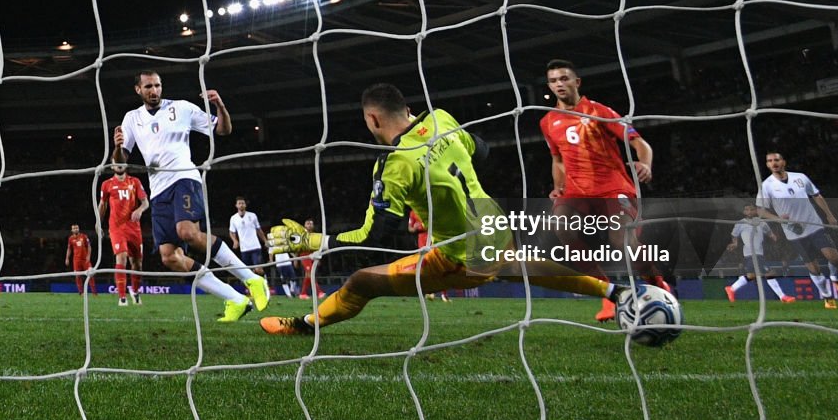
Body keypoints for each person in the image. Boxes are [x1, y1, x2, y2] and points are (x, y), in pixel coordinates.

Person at [261, 83, 625, 336]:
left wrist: (311, 240)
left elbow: (372, 236)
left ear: (372, 120)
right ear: (407, 108)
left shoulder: (395, 165)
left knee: (361, 282)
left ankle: (304, 326)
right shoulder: (441, 118)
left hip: (459, 257)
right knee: (522, 266)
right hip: (495, 226)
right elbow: (482, 151)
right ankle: (616, 293)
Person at [113, 70, 269, 322]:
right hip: (159, 190)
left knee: (187, 232)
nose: (154, 90)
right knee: (170, 257)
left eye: (158, 85)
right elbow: (120, 164)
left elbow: (223, 129)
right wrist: (118, 147)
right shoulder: (132, 119)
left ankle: (252, 279)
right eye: (149, 86)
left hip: (184, 177)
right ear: (138, 90)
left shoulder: (182, 108)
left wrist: (220, 105)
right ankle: (236, 299)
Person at [539, 59, 665, 323]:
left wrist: (645, 163)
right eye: (553, 81)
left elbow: (639, 142)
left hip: (612, 187)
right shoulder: (548, 121)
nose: (559, 84)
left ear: (577, 82)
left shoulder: (599, 111)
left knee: (623, 243)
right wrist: (558, 187)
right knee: (562, 230)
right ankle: (610, 296)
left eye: (564, 78)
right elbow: (558, 159)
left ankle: (657, 283)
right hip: (576, 193)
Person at [756, 151, 838, 309]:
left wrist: (829, 215)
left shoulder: (800, 177)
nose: (774, 163)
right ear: (767, 165)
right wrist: (777, 218)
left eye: (776, 159)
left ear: (783, 161)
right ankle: (827, 297)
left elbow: (816, 195)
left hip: (814, 225)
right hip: (795, 233)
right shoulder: (766, 186)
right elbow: (760, 211)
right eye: (770, 161)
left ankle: (835, 277)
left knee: (835, 258)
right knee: (814, 268)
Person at [99, 164, 149, 307]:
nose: (119, 164)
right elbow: (103, 205)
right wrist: (98, 222)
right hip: (116, 227)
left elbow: (145, 203)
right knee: (121, 257)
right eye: (116, 161)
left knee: (137, 264)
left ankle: (135, 291)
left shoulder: (135, 182)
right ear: (112, 164)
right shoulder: (106, 184)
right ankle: (122, 297)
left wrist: (139, 210)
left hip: (134, 228)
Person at [724, 204, 795, 303]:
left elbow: (769, 232)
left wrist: (773, 236)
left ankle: (731, 289)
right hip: (751, 253)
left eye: (751, 209)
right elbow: (734, 235)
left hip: (759, 252)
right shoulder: (740, 223)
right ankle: (782, 296)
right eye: (747, 209)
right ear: (744, 212)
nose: (749, 212)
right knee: (769, 273)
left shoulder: (761, 223)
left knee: (751, 275)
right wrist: (735, 243)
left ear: (755, 211)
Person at [408, 210, 448, 302]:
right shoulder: (413, 212)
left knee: (439, 266)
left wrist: (425, 226)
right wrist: (415, 228)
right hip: (422, 243)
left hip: (435, 241)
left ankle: (444, 294)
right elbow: (410, 228)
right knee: (426, 268)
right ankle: (430, 292)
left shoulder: (431, 209)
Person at [229, 196, 267, 276]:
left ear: (245, 205)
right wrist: (235, 241)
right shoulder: (233, 218)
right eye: (239, 203)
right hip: (244, 249)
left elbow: (259, 230)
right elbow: (232, 232)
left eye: (243, 203)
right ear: (236, 205)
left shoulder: (252, 215)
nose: (241, 205)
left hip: (255, 246)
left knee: (258, 269)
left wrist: (265, 241)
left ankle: (265, 280)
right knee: (248, 271)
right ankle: (251, 287)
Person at [64, 224, 98, 296]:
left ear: (78, 229)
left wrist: (88, 256)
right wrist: (67, 258)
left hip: (85, 259)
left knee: (91, 274)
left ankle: (94, 292)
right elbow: (69, 249)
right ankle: (81, 292)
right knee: (78, 276)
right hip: (76, 260)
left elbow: (89, 246)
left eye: (77, 228)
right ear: (72, 230)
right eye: (74, 228)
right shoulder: (70, 239)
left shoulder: (84, 236)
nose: (76, 229)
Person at [298, 218, 325, 299]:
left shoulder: (314, 235)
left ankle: (303, 294)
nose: (309, 225)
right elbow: (297, 247)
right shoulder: (301, 234)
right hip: (304, 256)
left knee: (308, 275)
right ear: (304, 225)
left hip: (312, 256)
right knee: (310, 274)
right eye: (308, 223)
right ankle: (319, 292)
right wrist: (296, 259)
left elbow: (316, 248)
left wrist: (318, 258)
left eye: (311, 224)